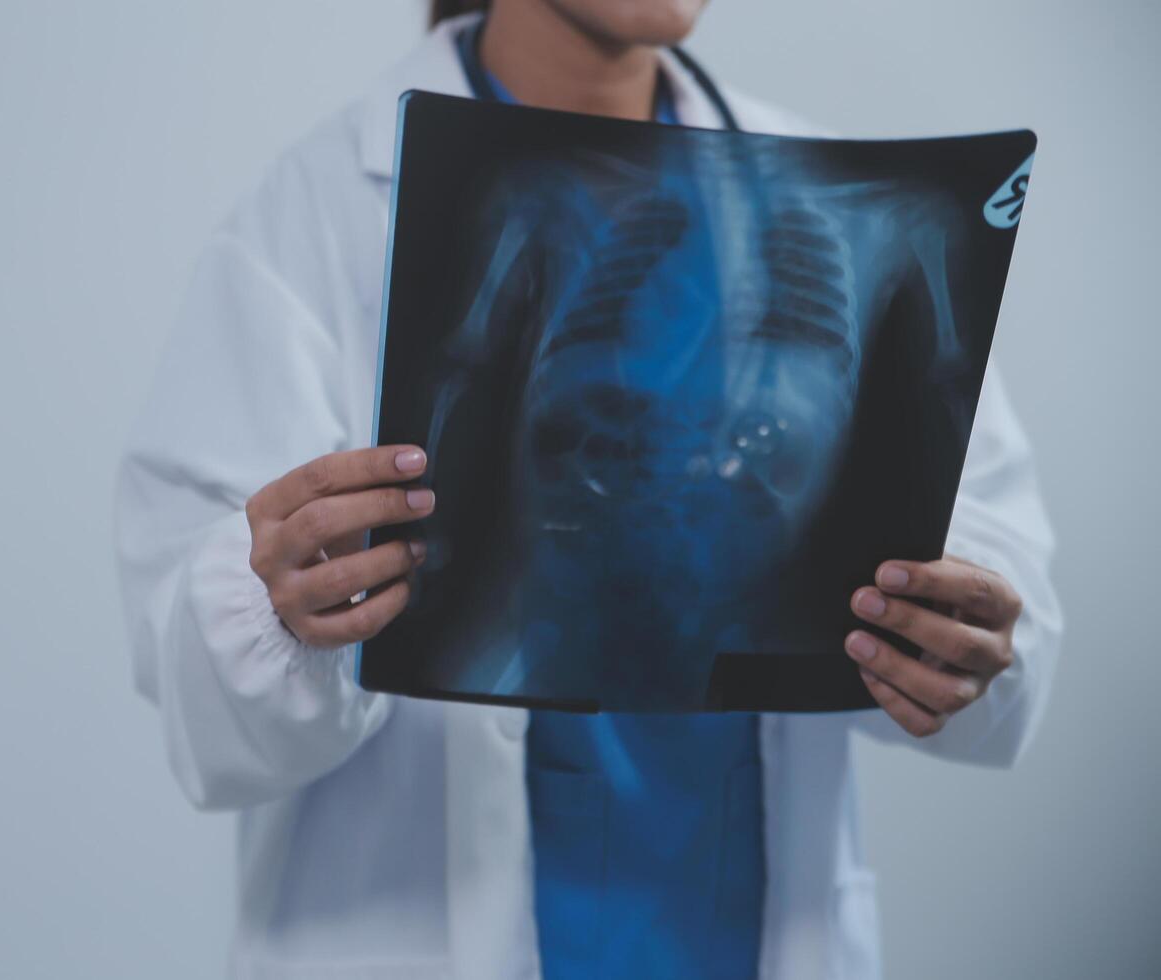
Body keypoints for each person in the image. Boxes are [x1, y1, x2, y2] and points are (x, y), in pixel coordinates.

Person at [114, 1, 1063, 977]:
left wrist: (958, 632)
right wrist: (277, 610)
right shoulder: (317, 211)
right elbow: (204, 704)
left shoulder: (850, 197)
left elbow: (1003, 592)